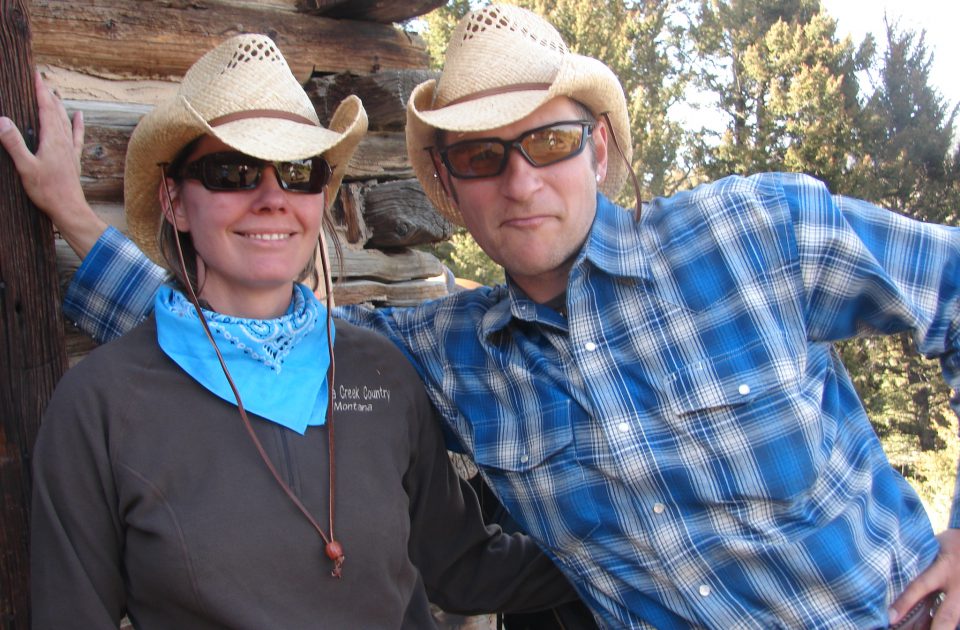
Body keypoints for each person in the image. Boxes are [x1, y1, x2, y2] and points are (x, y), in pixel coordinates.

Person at [3, 5, 959, 629]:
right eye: (480, 156)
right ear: (449, 192)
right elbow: (233, 333)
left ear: (603, 147)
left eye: (548, 139)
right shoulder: (444, 356)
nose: (522, 178)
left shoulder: (754, 234)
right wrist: (79, 227)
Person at [5, 33, 578, 629]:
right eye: (232, 171)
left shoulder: (381, 373)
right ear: (174, 201)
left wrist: (637, 557)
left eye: (299, 171)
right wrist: (70, 211)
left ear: (321, 198)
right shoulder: (98, 409)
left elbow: (461, 566)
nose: (273, 197)